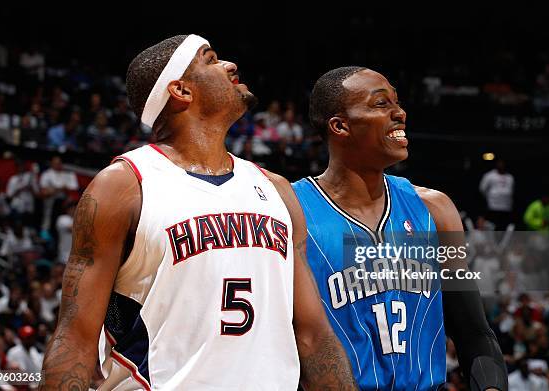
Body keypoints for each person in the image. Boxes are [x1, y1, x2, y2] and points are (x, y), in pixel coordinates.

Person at [41, 35, 356, 390]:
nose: (230, 65)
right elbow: (76, 340)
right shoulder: (124, 186)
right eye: (211, 60)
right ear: (181, 90)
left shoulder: (276, 189)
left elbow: (314, 336)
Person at [293, 67, 507, 390]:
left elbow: (473, 332)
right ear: (340, 126)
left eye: (397, 102)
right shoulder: (293, 211)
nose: (400, 113)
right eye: (381, 104)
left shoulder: (435, 210)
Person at [39, 156, 79, 233]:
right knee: (49, 224)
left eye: (59, 163)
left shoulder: (68, 174)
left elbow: (74, 190)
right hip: (50, 204)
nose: (57, 165)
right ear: (51, 164)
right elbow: (43, 192)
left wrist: (54, 189)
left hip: (65, 205)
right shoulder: (47, 175)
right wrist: (60, 189)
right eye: (55, 163)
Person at [479, 159, 514, 230]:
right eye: (499, 163)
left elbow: (511, 191)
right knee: (492, 226)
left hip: (506, 207)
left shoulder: (510, 177)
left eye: (503, 163)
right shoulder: (489, 175)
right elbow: (482, 189)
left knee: (503, 228)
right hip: (493, 207)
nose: (501, 165)